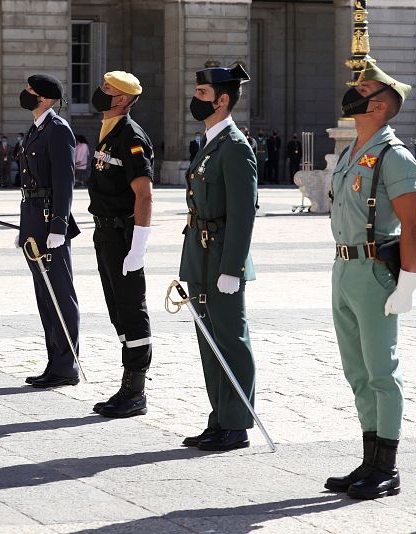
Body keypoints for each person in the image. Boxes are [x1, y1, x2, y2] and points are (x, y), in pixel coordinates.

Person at [325, 60, 416, 500]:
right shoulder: (352, 150)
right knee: (357, 371)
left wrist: (407, 284)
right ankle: (369, 459)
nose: (353, 92)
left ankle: (388, 466)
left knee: (382, 370)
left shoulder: (393, 154)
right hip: (344, 267)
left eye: (362, 89)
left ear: (380, 105)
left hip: (375, 270)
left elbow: (412, 223)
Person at [180, 63, 258, 452]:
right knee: (209, 339)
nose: (195, 99)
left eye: (203, 94)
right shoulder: (210, 142)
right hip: (201, 252)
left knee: (230, 338)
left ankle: (237, 422)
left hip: (222, 258)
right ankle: (219, 417)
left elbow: (244, 213)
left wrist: (232, 269)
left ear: (222, 99)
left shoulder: (236, 147)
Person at [87, 71, 154, 418]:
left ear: (124, 100)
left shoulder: (131, 137)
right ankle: (126, 384)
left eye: (107, 89)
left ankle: (135, 389)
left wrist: (138, 248)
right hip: (105, 233)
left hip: (123, 235)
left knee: (131, 309)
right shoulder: (107, 134)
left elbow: (144, 195)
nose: (100, 93)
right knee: (117, 311)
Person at [17, 73, 81, 388]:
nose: (25, 93)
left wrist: (60, 224)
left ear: (43, 96)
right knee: (44, 295)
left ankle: (66, 365)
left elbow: (64, 181)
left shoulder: (58, 130)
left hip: (48, 220)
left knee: (59, 294)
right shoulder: (36, 129)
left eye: (30, 90)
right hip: (33, 216)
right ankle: (54, 361)